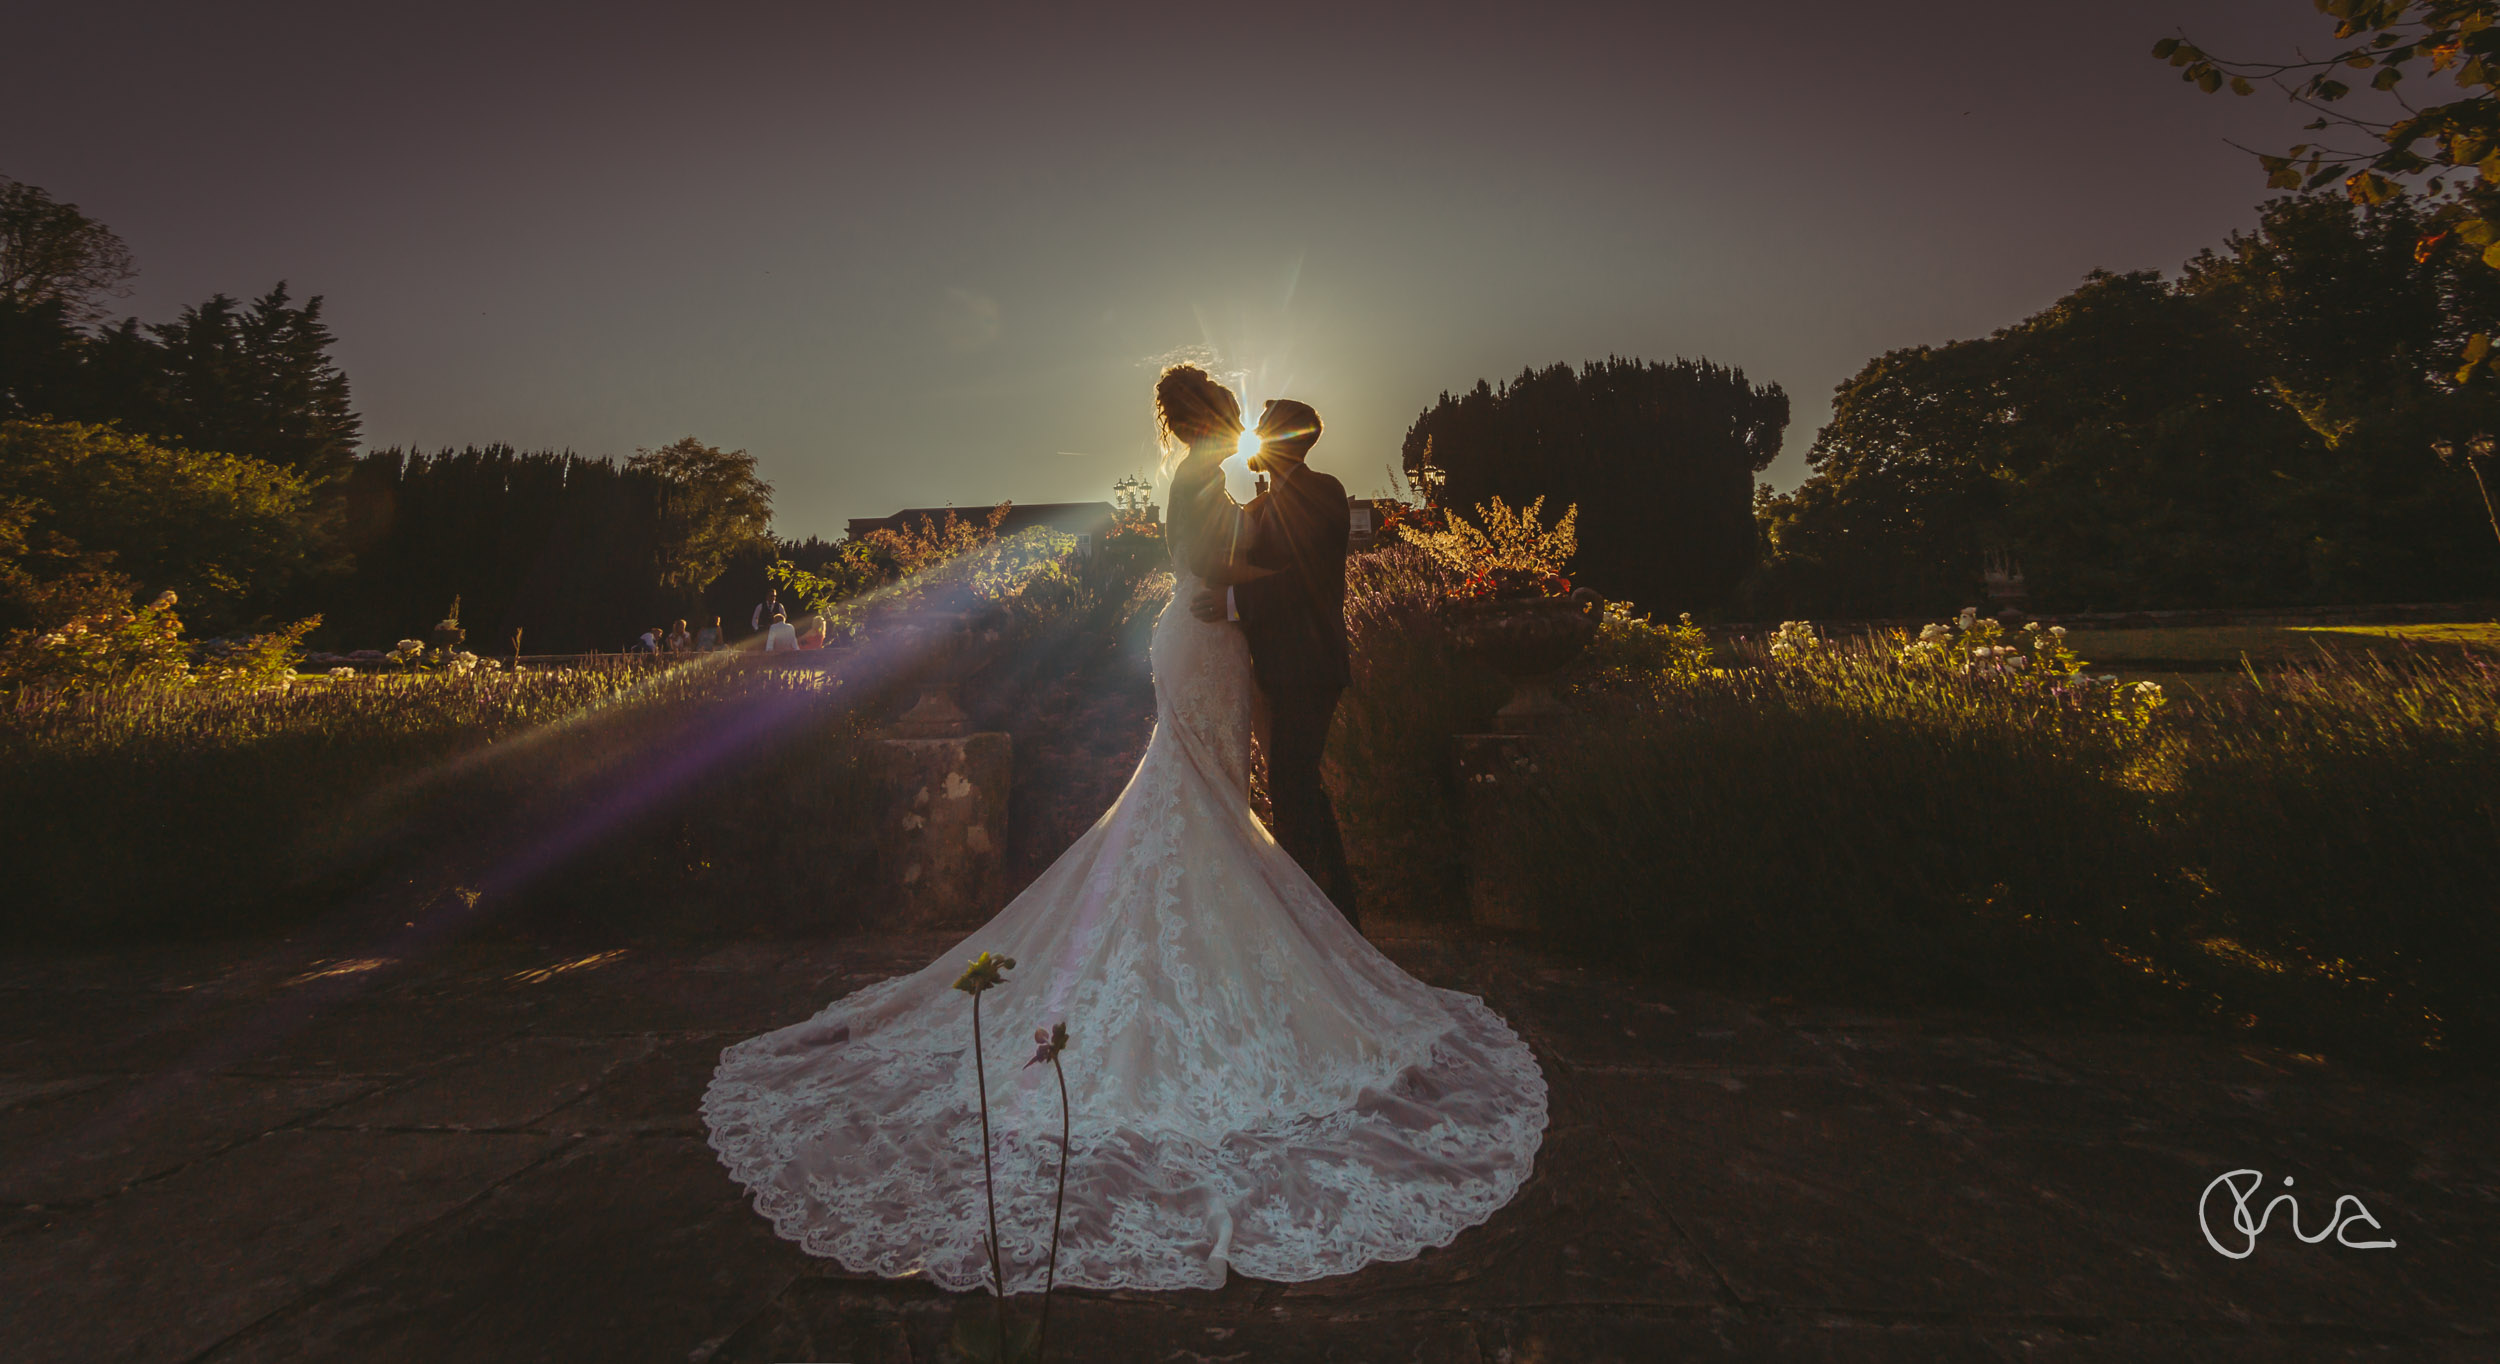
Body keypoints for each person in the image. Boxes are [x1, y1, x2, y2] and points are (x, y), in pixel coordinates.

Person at [704, 363, 1546, 1296]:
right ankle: (1244, 942)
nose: (1236, 414)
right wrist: (1260, 580)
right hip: (1201, 644)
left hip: (1206, 643)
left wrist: (1243, 591)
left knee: (1207, 798)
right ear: (1203, 416)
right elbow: (1216, 565)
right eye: (1227, 405)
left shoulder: (1204, 473)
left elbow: (1225, 566)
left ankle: (1239, 932)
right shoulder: (1196, 477)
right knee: (1202, 800)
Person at [1192, 397, 1359, 925]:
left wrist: (1232, 604)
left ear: (1289, 440)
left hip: (1310, 667)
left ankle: (1309, 920)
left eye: (1263, 430)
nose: (1253, 440)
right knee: (1298, 785)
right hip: (1274, 670)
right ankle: (1335, 914)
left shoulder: (1323, 493)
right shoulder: (1260, 506)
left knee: (1291, 786)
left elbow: (1305, 581)